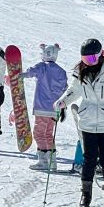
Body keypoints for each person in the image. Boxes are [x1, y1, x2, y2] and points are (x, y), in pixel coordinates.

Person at [54, 38, 104, 207]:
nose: (88, 63)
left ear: (99, 55)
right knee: (88, 159)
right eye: (85, 59)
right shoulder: (80, 72)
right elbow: (74, 91)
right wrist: (63, 101)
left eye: (91, 59)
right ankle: (85, 195)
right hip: (87, 121)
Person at [23, 43, 68, 171]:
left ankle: (43, 160)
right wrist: (63, 107)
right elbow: (66, 89)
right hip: (55, 109)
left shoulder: (42, 67)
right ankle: (52, 162)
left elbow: (31, 72)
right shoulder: (62, 72)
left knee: (38, 133)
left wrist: (19, 76)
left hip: (42, 108)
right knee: (48, 134)